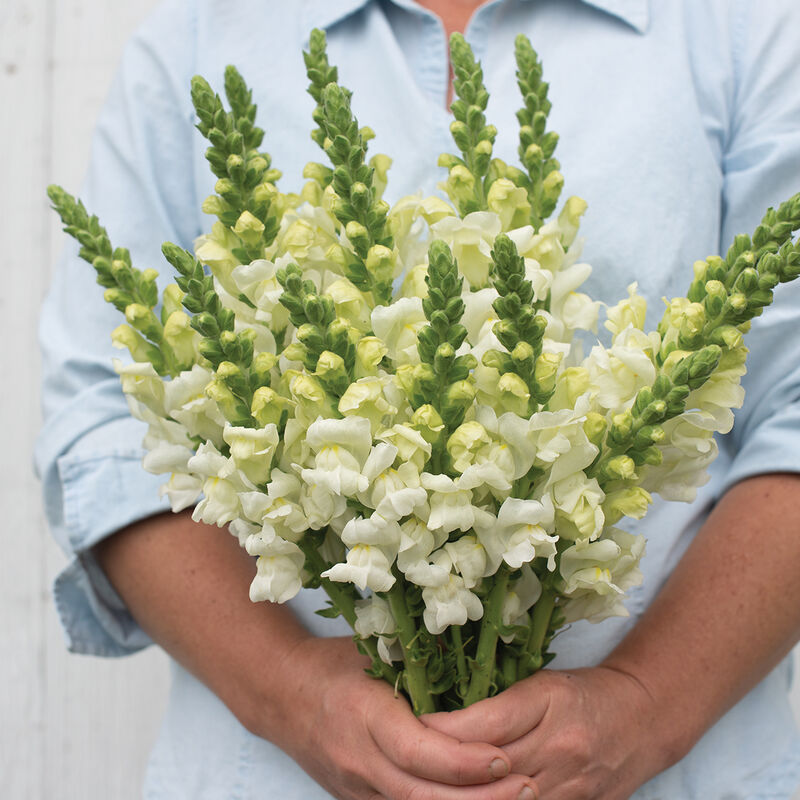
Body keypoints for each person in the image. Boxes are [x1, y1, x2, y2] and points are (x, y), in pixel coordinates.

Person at [36, 0, 800, 797]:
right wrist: (291, 688)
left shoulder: (735, 27)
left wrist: (648, 701)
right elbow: (106, 427)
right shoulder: (201, 33)